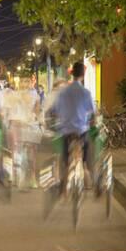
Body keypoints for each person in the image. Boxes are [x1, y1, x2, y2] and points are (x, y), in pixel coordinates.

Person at [52, 62, 96, 192]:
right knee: (88, 150)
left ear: (71, 74)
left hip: (66, 131)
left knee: (64, 158)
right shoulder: (86, 93)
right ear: (83, 75)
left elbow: (54, 110)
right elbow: (92, 112)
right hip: (82, 131)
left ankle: (64, 183)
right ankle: (86, 169)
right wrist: (91, 122)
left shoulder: (62, 93)